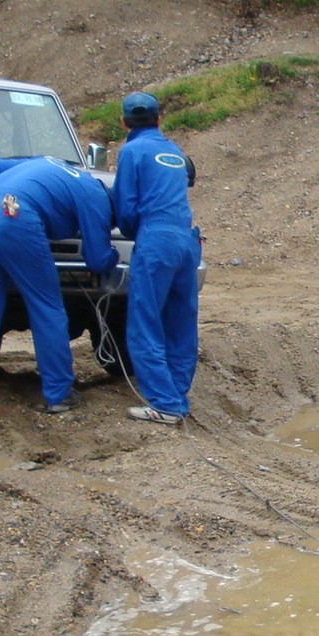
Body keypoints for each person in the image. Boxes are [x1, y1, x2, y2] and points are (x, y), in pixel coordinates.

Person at [0, 155, 117, 433]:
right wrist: (114, 254)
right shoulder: (95, 196)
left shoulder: (52, 165)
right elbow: (97, 259)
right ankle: (59, 394)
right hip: (13, 216)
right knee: (46, 308)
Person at [109, 91, 201, 426]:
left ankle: (164, 405)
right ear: (159, 119)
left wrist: (136, 233)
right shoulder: (173, 150)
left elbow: (126, 206)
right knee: (181, 322)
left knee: (145, 324)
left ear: (124, 122)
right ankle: (178, 396)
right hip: (186, 241)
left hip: (156, 240)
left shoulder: (131, 150)